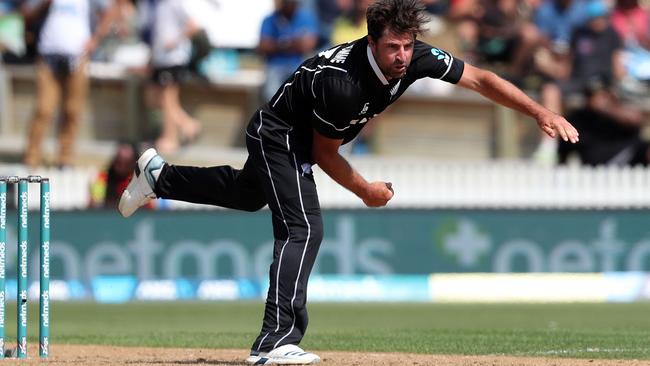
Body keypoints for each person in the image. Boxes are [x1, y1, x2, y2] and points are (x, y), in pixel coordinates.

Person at [118, 0, 579, 364]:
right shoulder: (344, 84)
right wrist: (366, 191)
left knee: (245, 194)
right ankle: (273, 342)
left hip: (298, 136)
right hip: (279, 134)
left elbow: (479, 78)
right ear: (371, 41)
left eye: (408, 46)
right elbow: (323, 154)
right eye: (393, 47)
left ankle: (159, 176)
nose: (403, 57)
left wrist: (540, 111)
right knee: (303, 228)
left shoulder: (414, 57)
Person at [21, 0, 115, 168]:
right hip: (48, 55)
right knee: (44, 109)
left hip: (77, 57)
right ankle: (31, 157)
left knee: (72, 110)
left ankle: (65, 158)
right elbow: (26, 13)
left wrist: (96, 39)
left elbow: (110, 11)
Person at [138, 0, 202, 155]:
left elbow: (193, 25)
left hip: (173, 58)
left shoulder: (174, 3)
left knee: (168, 99)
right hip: (159, 58)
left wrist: (175, 41)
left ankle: (170, 138)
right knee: (154, 98)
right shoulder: (152, 5)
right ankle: (188, 125)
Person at [558, 77, 649, 166]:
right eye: (592, 95)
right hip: (598, 166)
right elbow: (565, 148)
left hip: (629, 156)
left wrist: (607, 109)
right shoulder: (578, 117)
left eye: (603, 95)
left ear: (612, 95)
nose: (597, 100)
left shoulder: (621, 109)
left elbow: (635, 121)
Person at [258, 0, 318, 102]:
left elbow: (308, 45)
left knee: (303, 95)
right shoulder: (270, 19)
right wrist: (293, 43)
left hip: (298, 64)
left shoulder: (306, 17)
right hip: (275, 66)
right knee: (271, 94)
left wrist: (278, 44)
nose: (289, 4)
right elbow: (264, 46)